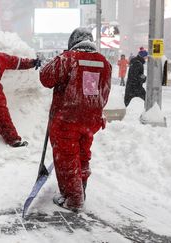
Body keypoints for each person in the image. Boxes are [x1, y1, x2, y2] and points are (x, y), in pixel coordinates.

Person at [39, 28, 111, 211]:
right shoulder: (104, 62)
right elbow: (105, 92)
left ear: (73, 41)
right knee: (82, 156)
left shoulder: (68, 58)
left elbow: (46, 78)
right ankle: (81, 189)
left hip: (67, 120)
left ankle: (73, 199)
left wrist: (55, 60)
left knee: (66, 158)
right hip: (90, 120)